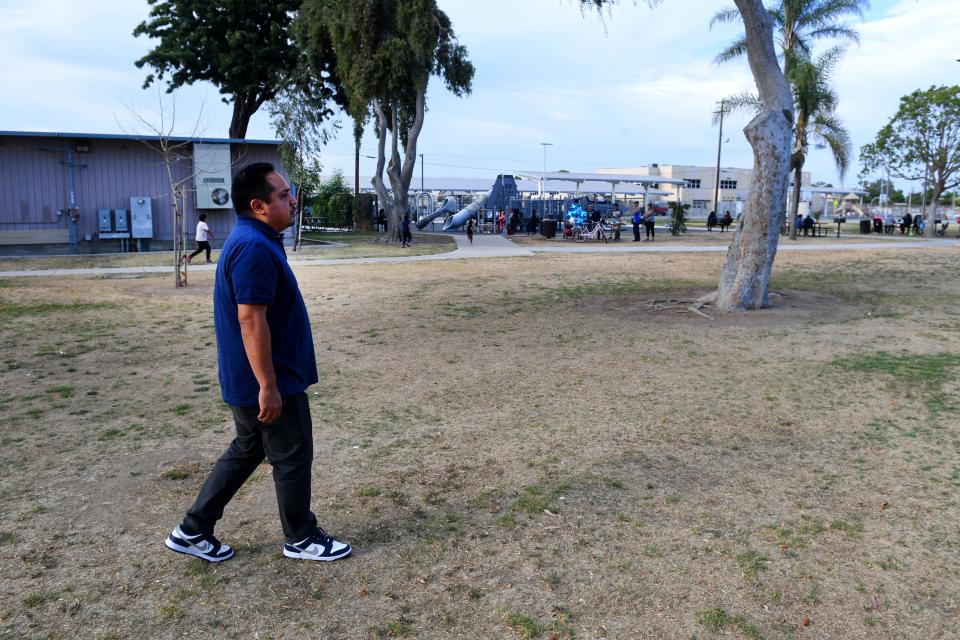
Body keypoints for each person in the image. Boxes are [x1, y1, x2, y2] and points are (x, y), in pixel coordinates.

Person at [164, 162, 351, 563]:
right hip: (268, 380)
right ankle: (300, 537)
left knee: (248, 448)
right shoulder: (253, 247)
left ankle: (193, 529)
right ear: (259, 205)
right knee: (292, 453)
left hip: (254, 378)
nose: (293, 200)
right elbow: (251, 320)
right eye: (283, 195)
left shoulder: (256, 238)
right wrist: (269, 384)